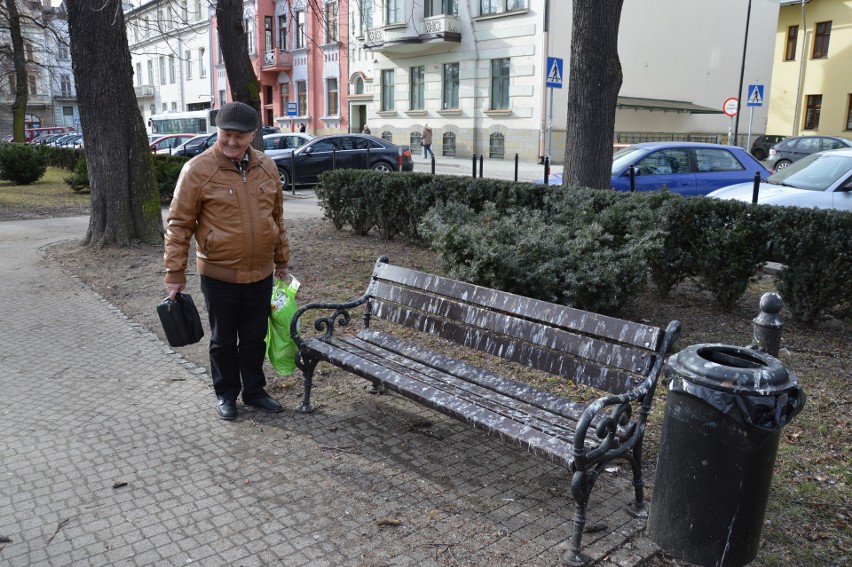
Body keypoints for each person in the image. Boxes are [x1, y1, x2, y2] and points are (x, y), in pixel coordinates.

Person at [163, 101, 290, 421]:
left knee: (254, 336)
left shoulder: (267, 167)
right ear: (217, 132)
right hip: (219, 274)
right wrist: (174, 271)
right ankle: (226, 393)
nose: (232, 142)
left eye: (240, 136)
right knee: (223, 339)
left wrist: (281, 260)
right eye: (226, 134)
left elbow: (277, 217)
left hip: (260, 273)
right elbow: (179, 223)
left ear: (253, 135)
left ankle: (255, 391)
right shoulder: (198, 170)